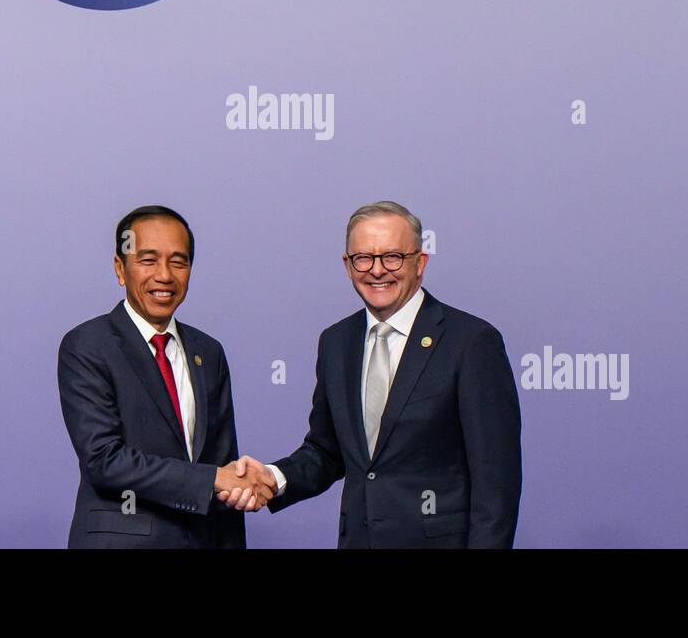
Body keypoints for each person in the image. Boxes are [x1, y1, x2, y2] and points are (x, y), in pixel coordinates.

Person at [223, 201, 522, 547]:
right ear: (347, 266)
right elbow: (326, 451)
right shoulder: (336, 342)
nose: (377, 270)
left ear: (420, 262)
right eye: (363, 258)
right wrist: (273, 478)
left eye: (392, 256)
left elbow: (495, 482)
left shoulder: (470, 342)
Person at [58, 205, 275, 548]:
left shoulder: (209, 351)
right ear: (120, 268)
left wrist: (233, 485)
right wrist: (213, 479)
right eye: (148, 260)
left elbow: (222, 466)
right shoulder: (87, 345)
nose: (164, 275)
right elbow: (105, 460)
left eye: (179, 261)